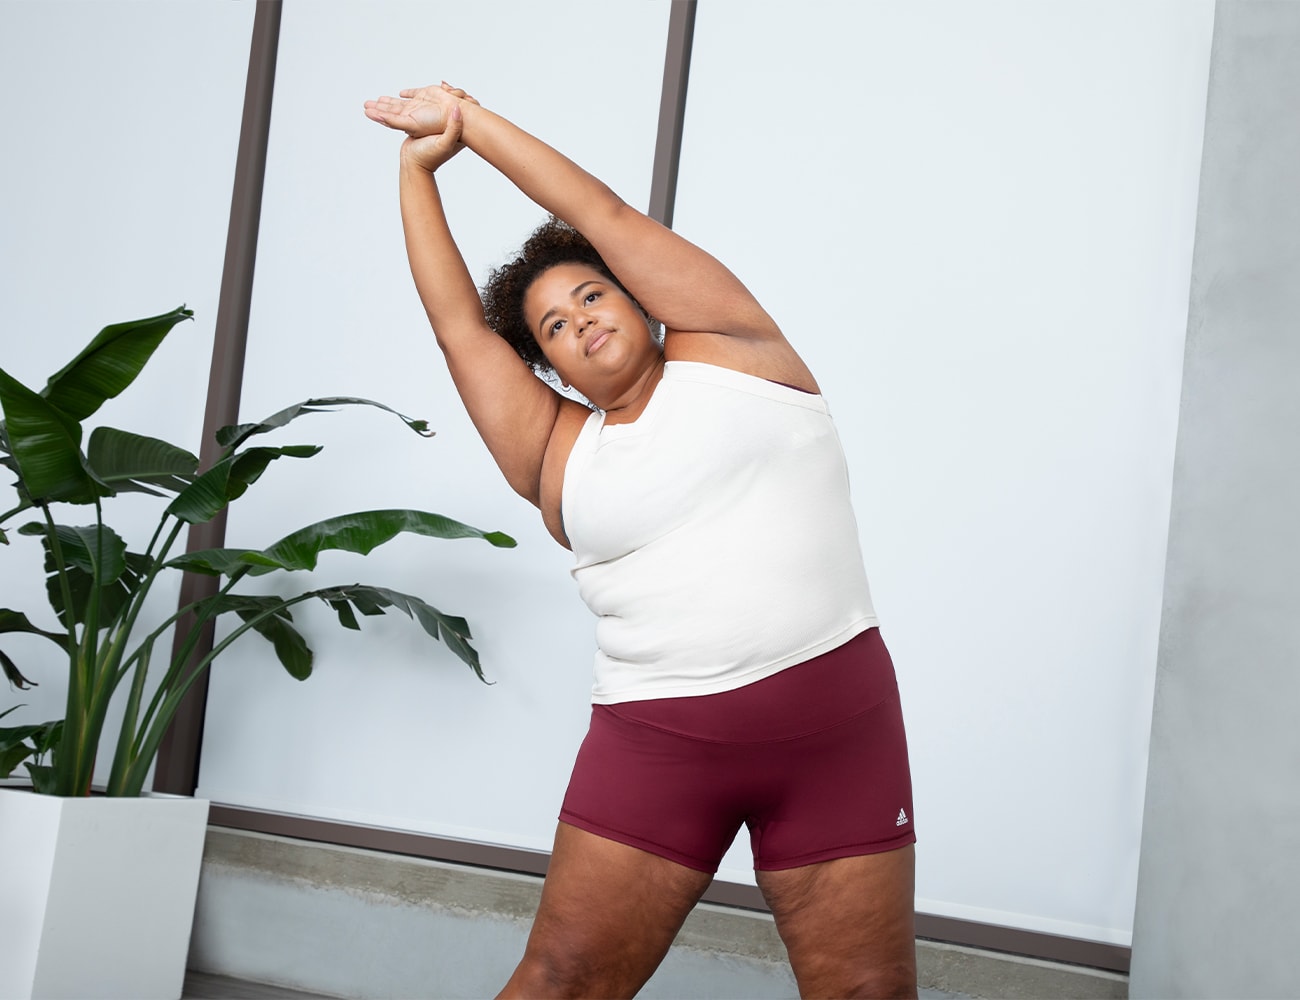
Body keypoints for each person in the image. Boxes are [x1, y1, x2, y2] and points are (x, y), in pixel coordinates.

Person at [364, 81, 918, 999]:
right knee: (562, 982)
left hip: (837, 733)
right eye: (554, 326)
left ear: (643, 296)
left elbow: (601, 210)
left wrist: (470, 121)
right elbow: (458, 328)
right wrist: (419, 171)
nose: (581, 318)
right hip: (659, 745)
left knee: (868, 992)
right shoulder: (556, 452)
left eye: (592, 293)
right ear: (547, 364)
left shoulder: (736, 345)